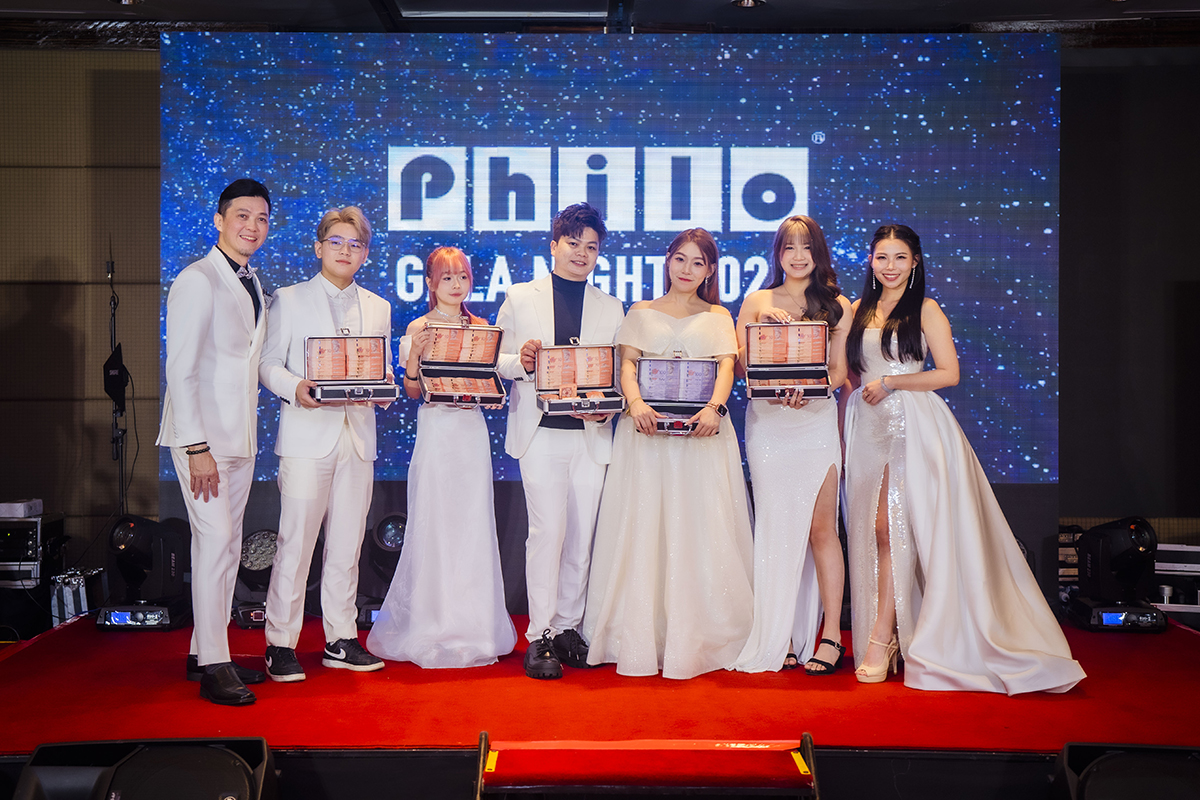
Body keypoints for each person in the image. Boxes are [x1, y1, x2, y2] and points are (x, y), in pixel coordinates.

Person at [843, 224, 1085, 693]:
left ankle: (882, 638)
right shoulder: (857, 309)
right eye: (882, 257)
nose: (890, 266)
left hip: (913, 425)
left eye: (900, 257)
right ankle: (891, 632)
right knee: (871, 531)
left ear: (915, 262)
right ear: (870, 261)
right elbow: (848, 374)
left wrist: (892, 382)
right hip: (867, 428)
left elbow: (949, 373)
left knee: (889, 528)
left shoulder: (926, 309)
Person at [583, 228, 754, 680]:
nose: (687, 269)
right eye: (680, 259)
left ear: (710, 270)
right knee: (644, 525)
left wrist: (715, 408)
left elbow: (726, 366)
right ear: (667, 261)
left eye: (698, 262)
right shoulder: (640, 311)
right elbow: (628, 364)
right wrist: (636, 404)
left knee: (701, 523)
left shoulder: (718, 315)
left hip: (702, 435)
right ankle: (640, 635)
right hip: (646, 435)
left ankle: (702, 634)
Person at [366, 247, 517, 668]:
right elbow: (413, 390)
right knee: (435, 521)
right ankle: (432, 623)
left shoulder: (483, 328)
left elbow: (488, 380)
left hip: (470, 432)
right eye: (446, 277)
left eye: (462, 276)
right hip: (436, 431)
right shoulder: (419, 327)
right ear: (430, 283)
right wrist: (415, 354)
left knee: (472, 523)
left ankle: (475, 625)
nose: (455, 284)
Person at [258, 206, 390, 681]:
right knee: (295, 544)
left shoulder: (378, 306)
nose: (345, 251)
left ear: (365, 254)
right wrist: (295, 387)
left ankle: (340, 638)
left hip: (357, 439)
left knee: (347, 547)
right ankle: (280, 643)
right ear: (318, 247)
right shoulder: (289, 299)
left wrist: (384, 384)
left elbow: (380, 367)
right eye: (336, 242)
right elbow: (267, 364)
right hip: (306, 437)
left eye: (355, 244)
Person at [495, 202, 625, 680]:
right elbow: (497, 360)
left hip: (590, 434)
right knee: (547, 533)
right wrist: (523, 361)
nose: (581, 253)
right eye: (573, 243)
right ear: (554, 246)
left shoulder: (611, 306)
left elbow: (617, 375)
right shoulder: (519, 297)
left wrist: (608, 405)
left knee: (582, 538)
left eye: (591, 246)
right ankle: (540, 634)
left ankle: (569, 627)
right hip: (541, 434)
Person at [157, 178, 271, 705]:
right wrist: (195, 446)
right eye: (242, 216)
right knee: (215, 541)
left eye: (262, 219)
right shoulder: (197, 279)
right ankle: (214, 665)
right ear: (220, 220)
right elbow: (179, 372)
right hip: (201, 441)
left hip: (239, 437)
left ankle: (205, 650)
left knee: (225, 544)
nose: (252, 226)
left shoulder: (252, 280)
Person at [730, 216, 852, 675]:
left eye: (806, 247)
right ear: (777, 253)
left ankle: (831, 635)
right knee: (776, 528)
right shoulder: (757, 301)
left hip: (815, 423)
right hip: (769, 424)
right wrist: (761, 327)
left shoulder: (837, 304)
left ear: (818, 253)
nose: (798, 256)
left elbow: (838, 372)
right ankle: (778, 632)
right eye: (789, 247)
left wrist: (813, 390)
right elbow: (741, 367)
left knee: (822, 529)